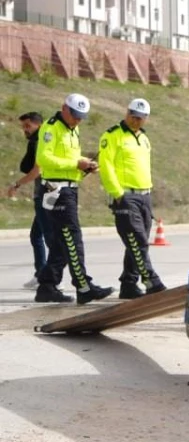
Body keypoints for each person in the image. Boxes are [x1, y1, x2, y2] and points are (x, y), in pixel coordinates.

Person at [33, 93, 114, 304]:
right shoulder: (51, 128)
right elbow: (43, 159)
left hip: (68, 188)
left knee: (61, 243)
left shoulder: (73, 129)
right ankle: (84, 286)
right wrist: (75, 164)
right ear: (64, 108)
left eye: (81, 117)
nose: (77, 120)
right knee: (72, 238)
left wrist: (85, 167)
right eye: (75, 115)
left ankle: (47, 286)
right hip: (56, 190)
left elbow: (70, 161)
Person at [97, 98, 167, 299]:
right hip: (125, 195)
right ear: (126, 113)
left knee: (137, 242)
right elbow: (106, 165)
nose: (136, 121)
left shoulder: (144, 138)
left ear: (146, 119)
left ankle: (129, 283)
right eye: (133, 116)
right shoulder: (113, 136)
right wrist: (117, 193)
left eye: (140, 118)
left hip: (144, 194)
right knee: (137, 240)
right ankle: (151, 281)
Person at [6, 111, 47, 289]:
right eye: (23, 126)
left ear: (38, 124)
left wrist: (17, 184)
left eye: (28, 126)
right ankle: (43, 274)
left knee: (42, 237)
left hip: (46, 194)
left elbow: (37, 170)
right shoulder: (42, 139)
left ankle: (46, 277)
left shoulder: (39, 141)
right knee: (40, 236)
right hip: (46, 194)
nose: (25, 130)